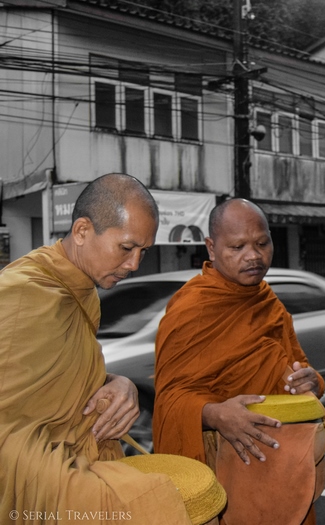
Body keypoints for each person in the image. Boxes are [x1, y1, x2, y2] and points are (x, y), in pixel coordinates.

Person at [0, 174, 192, 524]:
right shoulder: (24, 293)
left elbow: (58, 373)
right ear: (82, 231)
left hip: (81, 453)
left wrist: (117, 382)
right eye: (126, 248)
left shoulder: (80, 288)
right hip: (33, 471)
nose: (135, 265)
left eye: (144, 252)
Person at [153, 198, 325, 525]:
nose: (254, 256)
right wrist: (217, 415)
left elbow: (300, 369)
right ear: (211, 248)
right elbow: (169, 401)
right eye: (237, 247)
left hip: (283, 467)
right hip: (224, 468)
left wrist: (311, 381)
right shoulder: (191, 309)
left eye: (262, 243)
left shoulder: (268, 301)